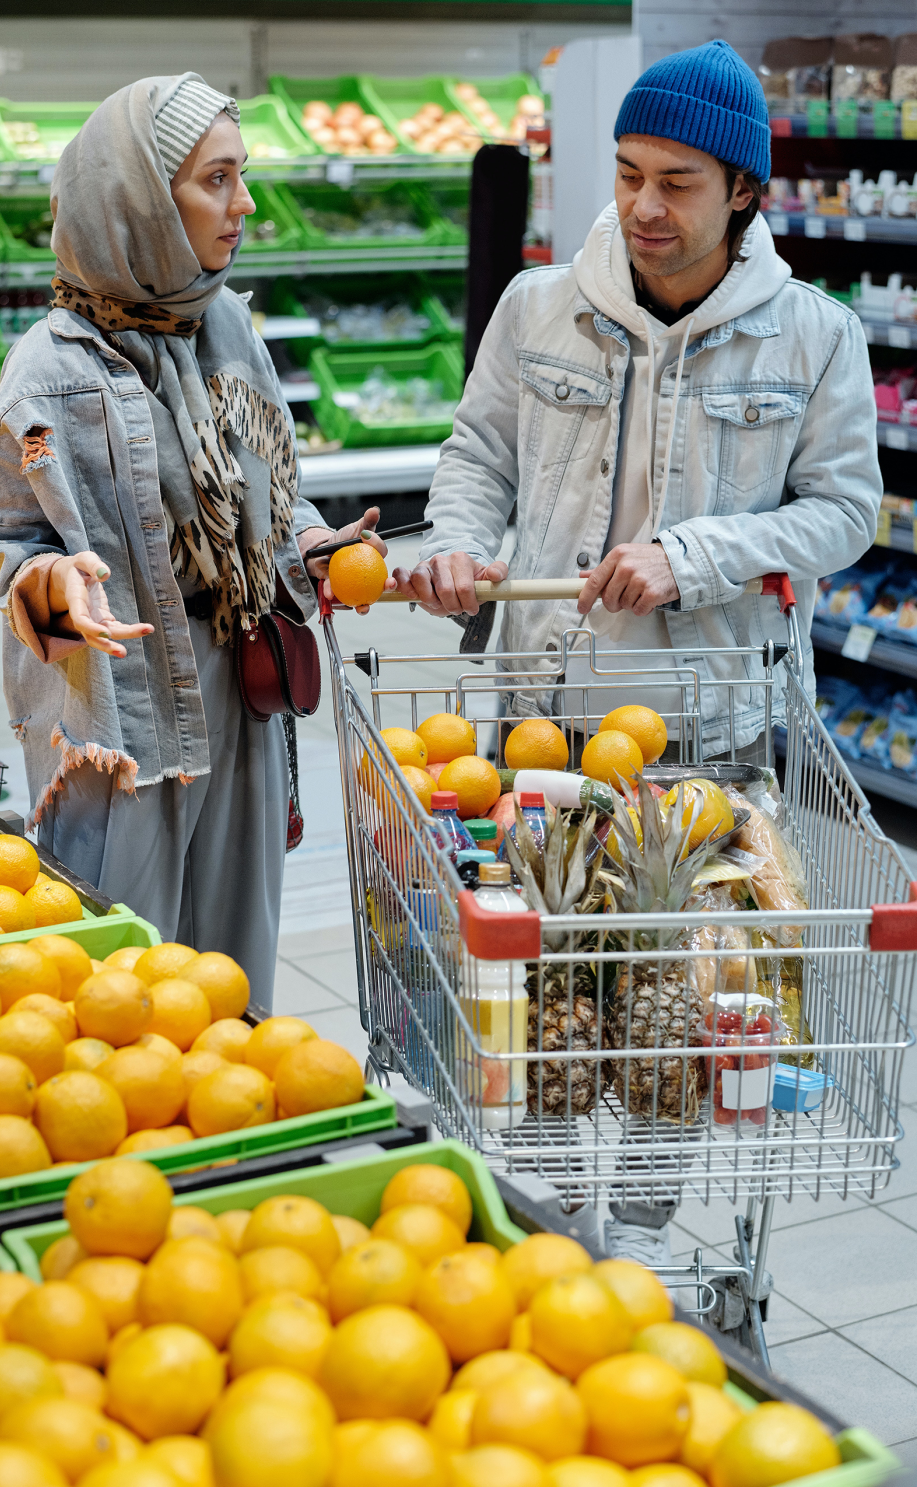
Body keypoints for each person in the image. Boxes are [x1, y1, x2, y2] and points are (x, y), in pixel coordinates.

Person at [393, 41, 881, 1257]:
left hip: (704, 730)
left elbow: (842, 513)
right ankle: (554, 1213)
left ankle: (650, 1224)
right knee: (551, 989)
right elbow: (475, 458)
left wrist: (696, 550)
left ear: (744, 196)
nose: (641, 208)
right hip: (539, 711)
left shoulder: (812, 337)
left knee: (672, 1005)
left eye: (676, 184)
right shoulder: (537, 304)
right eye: (624, 175)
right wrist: (456, 539)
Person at [0, 73, 384, 1014]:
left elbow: (273, 498)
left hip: (239, 685)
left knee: (234, 967)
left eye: (242, 177)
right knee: (123, 970)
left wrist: (309, 545)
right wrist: (52, 584)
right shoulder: (50, 368)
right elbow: (0, 542)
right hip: (120, 705)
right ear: (142, 203)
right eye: (216, 181)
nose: (244, 207)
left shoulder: (229, 324)